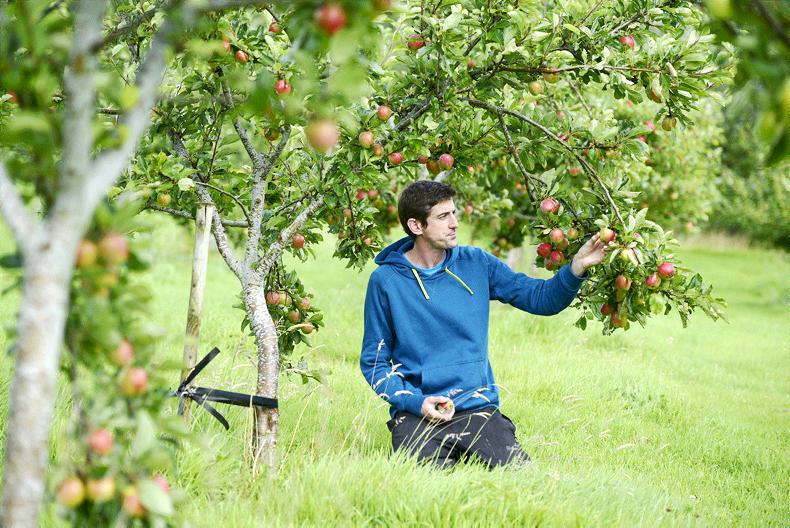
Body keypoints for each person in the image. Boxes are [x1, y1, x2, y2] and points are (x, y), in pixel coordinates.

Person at [359, 181, 608, 469]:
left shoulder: (476, 263)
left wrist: (577, 267)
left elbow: (541, 299)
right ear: (416, 225)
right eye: (443, 217)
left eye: (454, 213)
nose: (454, 223)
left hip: (478, 409)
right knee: (422, 485)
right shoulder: (386, 282)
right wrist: (416, 402)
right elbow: (374, 364)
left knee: (522, 479)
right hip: (418, 415)